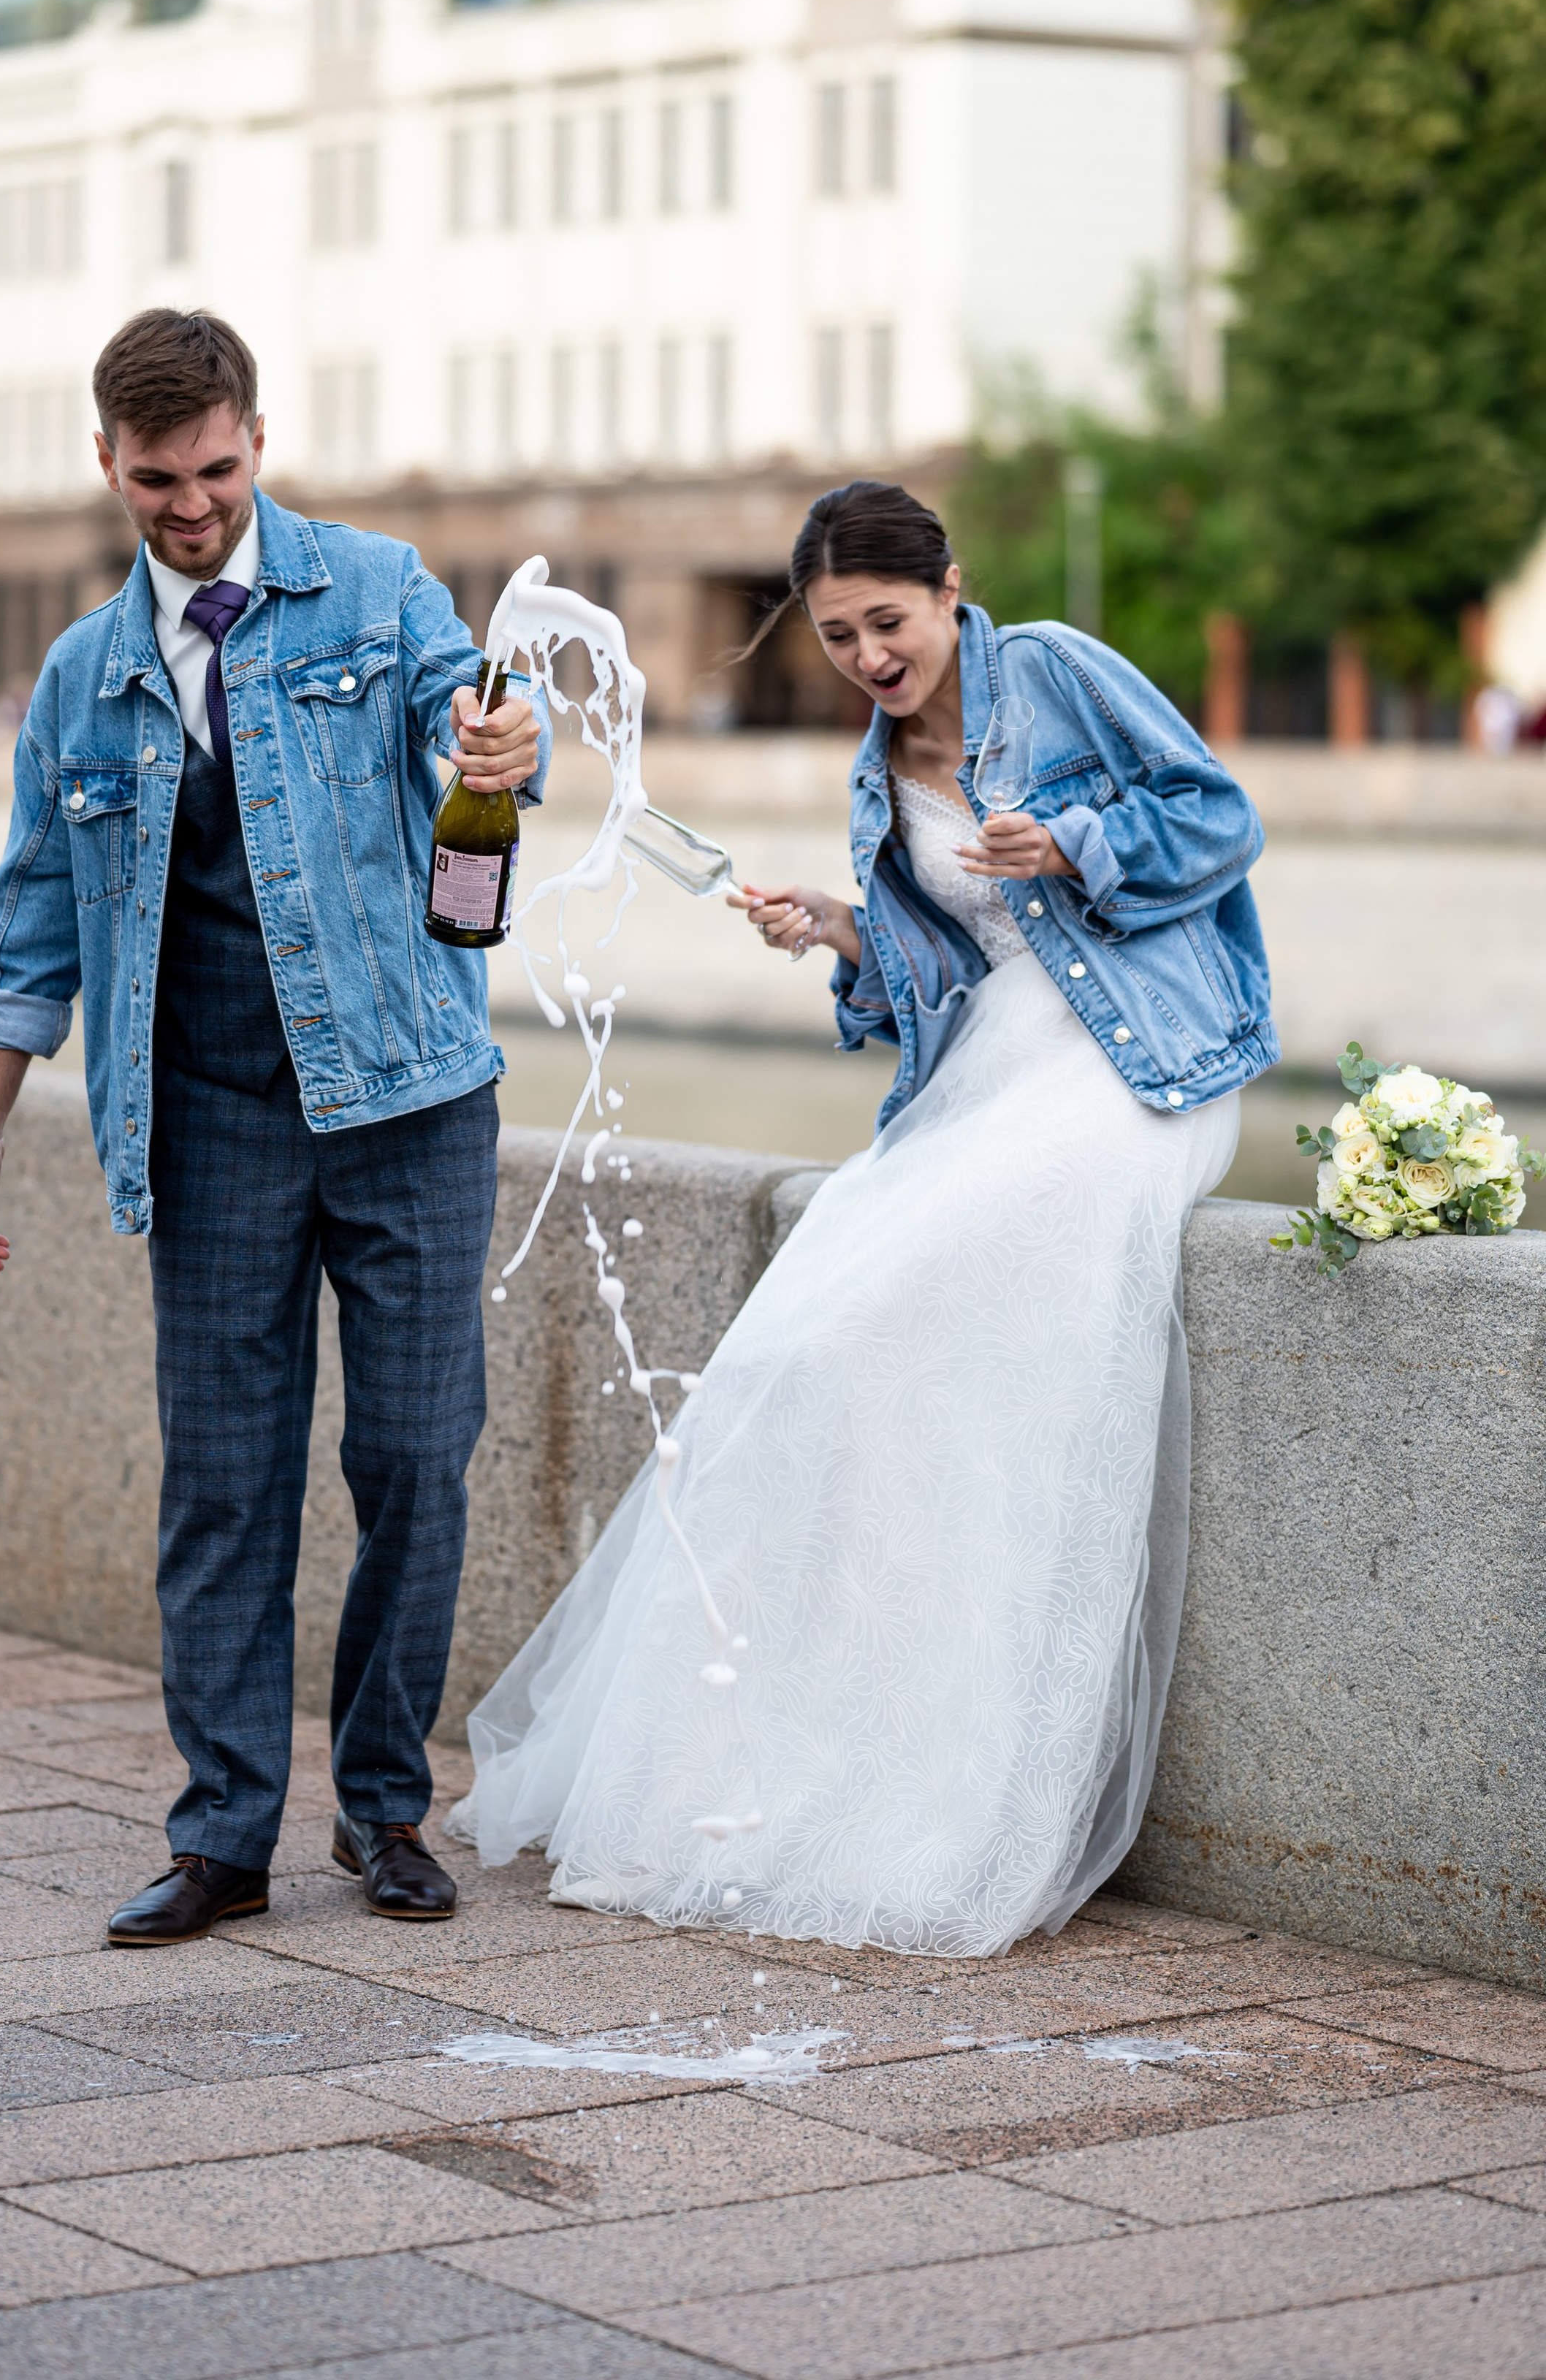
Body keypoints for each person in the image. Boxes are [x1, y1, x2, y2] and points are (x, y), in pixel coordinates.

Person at [449, 480, 1276, 1956]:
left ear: (949, 588)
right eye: (836, 636)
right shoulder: (869, 765)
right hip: (992, 1071)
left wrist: (1075, 841)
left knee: (917, 1309)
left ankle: (951, 1786)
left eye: (885, 623)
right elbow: (933, 978)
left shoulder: (1061, 671)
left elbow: (1218, 817)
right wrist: (839, 933)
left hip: (1133, 1065)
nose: (867, 656)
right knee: (806, 1345)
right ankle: (788, 1755)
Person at [0, 308, 546, 1942]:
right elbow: (35, 920)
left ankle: (384, 1807)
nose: (188, 504)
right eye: (156, 480)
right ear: (107, 464)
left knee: (414, 1460)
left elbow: (461, 724)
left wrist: (500, 741)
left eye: (213, 471)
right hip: (206, 1122)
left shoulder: (377, 585)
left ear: (255, 442)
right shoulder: (82, 676)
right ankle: (222, 1837)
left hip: (410, 1098)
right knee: (223, 1484)